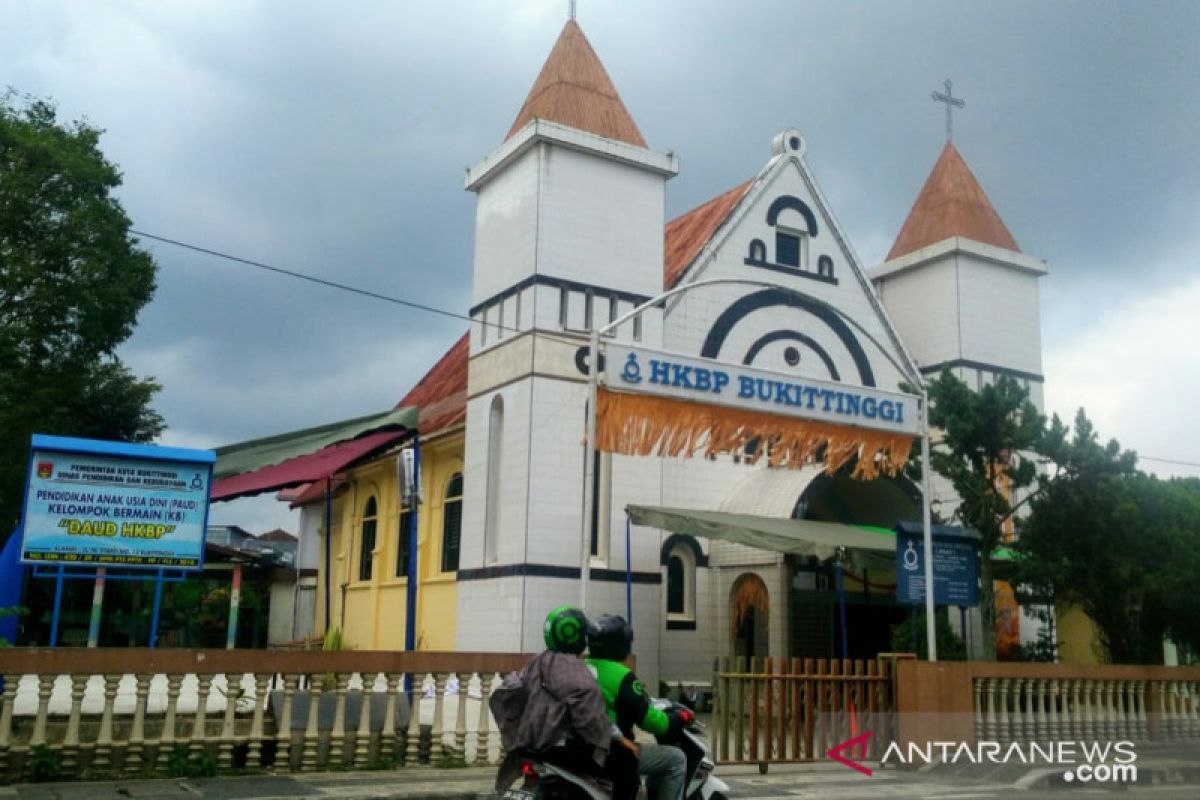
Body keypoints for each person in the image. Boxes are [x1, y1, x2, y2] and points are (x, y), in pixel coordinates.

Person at [490, 605, 640, 800]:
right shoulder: (577, 672)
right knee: (627, 762)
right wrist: (622, 739)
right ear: (577, 637)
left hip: (531, 744)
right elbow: (591, 719)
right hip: (558, 747)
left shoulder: (537, 662)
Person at [586, 614, 688, 800]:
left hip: (587, 747)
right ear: (620, 645)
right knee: (676, 759)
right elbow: (651, 722)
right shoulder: (622, 676)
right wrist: (679, 718)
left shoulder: (583, 666)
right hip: (615, 751)